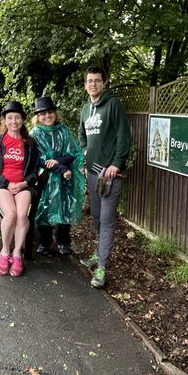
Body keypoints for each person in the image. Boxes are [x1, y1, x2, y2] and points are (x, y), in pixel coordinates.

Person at [78, 67, 131, 288]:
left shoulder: (113, 104)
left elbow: (123, 135)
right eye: (89, 81)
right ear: (85, 85)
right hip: (92, 173)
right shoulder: (85, 109)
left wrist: (116, 164)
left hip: (110, 175)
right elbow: (81, 133)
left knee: (108, 220)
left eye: (97, 81)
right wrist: (83, 153)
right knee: (97, 217)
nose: (93, 84)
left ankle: (102, 268)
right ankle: (99, 255)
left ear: (104, 83)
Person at [0, 101, 40, 276]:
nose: (13, 121)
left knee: (22, 215)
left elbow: (36, 170)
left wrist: (24, 183)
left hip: (23, 186)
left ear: (23, 120)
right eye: (10, 118)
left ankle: (17, 254)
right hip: (2, 185)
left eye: (17, 117)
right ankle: (5, 251)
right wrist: (7, 184)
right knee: (11, 214)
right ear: (4, 121)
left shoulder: (30, 144)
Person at [29, 96, 85, 256]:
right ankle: (44, 241)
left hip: (65, 179)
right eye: (43, 113)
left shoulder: (64, 131)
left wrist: (58, 163)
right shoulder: (35, 134)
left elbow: (73, 153)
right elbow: (40, 160)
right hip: (45, 179)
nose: (47, 116)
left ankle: (63, 241)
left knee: (65, 208)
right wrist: (61, 168)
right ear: (38, 117)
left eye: (50, 112)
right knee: (44, 208)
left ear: (55, 113)